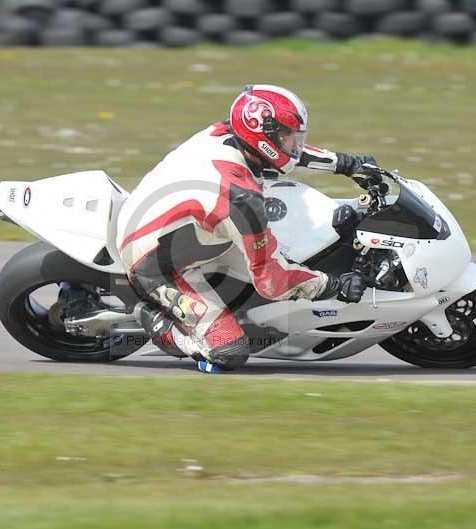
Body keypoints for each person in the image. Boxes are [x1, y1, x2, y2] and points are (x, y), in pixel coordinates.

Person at [116, 84, 381, 373]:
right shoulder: (241, 199)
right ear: (264, 138)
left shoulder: (227, 132)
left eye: (295, 137)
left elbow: (291, 154)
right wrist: (332, 284)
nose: (294, 145)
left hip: (175, 221)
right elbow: (272, 281)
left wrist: (347, 164)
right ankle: (154, 318)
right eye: (286, 137)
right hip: (155, 261)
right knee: (228, 351)